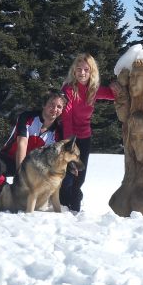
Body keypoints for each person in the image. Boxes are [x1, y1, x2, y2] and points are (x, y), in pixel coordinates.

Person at [59, 53, 118, 212]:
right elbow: (67, 118)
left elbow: (114, 95)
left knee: (80, 177)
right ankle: (63, 208)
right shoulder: (69, 89)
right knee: (68, 177)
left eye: (86, 69)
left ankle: (75, 210)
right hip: (68, 138)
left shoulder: (93, 89)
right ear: (74, 71)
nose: (82, 72)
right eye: (79, 69)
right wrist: (69, 146)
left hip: (85, 137)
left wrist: (115, 86)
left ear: (92, 72)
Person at [0, 90, 67, 198]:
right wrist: (20, 177)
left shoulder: (58, 133)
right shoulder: (27, 118)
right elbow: (22, 144)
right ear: (44, 105)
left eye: (59, 107)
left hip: (34, 166)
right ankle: (6, 195)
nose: (55, 109)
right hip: (11, 158)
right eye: (51, 105)